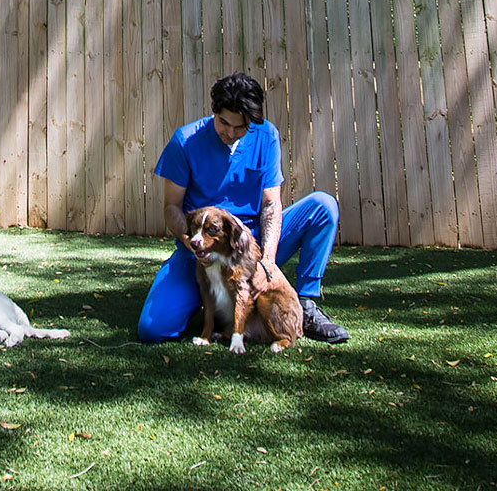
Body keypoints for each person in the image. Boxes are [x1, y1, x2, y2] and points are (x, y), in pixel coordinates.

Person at [137, 72, 349, 345]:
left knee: (323, 206)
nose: (231, 132)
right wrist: (192, 244)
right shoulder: (185, 141)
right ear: (214, 107)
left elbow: (271, 204)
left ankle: (307, 303)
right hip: (203, 248)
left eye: (241, 127)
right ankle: (213, 304)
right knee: (152, 330)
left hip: (253, 245)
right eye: (224, 123)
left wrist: (267, 263)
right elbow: (172, 208)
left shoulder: (267, 135)